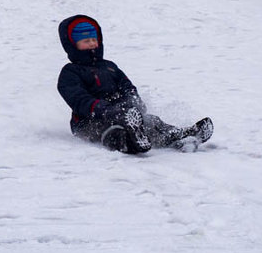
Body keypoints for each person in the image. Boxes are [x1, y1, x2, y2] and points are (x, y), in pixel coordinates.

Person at [56, 14, 213, 154]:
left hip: (122, 113)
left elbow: (127, 86)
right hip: (89, 121)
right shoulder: (70, 72)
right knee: (113, 131)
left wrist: (133, 101)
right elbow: (78, 99)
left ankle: (178, 135)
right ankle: (130, 142)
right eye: (85, 41)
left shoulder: (109, 66)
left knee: (151, 121)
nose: (91, 44)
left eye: (93, 40)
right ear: (72, 45)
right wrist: (104, 109)